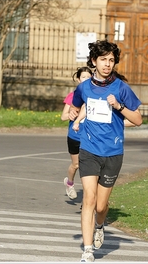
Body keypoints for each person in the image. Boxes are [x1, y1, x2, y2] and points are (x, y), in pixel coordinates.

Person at [69, 40, 142, 262]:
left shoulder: (121, 88)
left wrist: (118, 107)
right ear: (94, 61)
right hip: (89, 149)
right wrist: (76, 117)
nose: (107, 64)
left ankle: (100, 225)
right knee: (88, 199)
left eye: (111, 60)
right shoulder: (83, 87)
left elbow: (138, 119)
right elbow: (77, 104)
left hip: (113, 152)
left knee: (101, 205)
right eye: (103, 60)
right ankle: (88, 250)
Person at [61, 67, 93, 200]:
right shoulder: (73, 96)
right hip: (75, 136)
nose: (86, 79)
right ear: (79, 79)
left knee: (90, 167)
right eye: (83, 77)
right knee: (76, 165)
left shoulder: (94, 96)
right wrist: (71, 114)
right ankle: (69, 183)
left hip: (90, 136)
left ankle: (89, 196)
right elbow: (63, 116)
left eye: (88, 77)